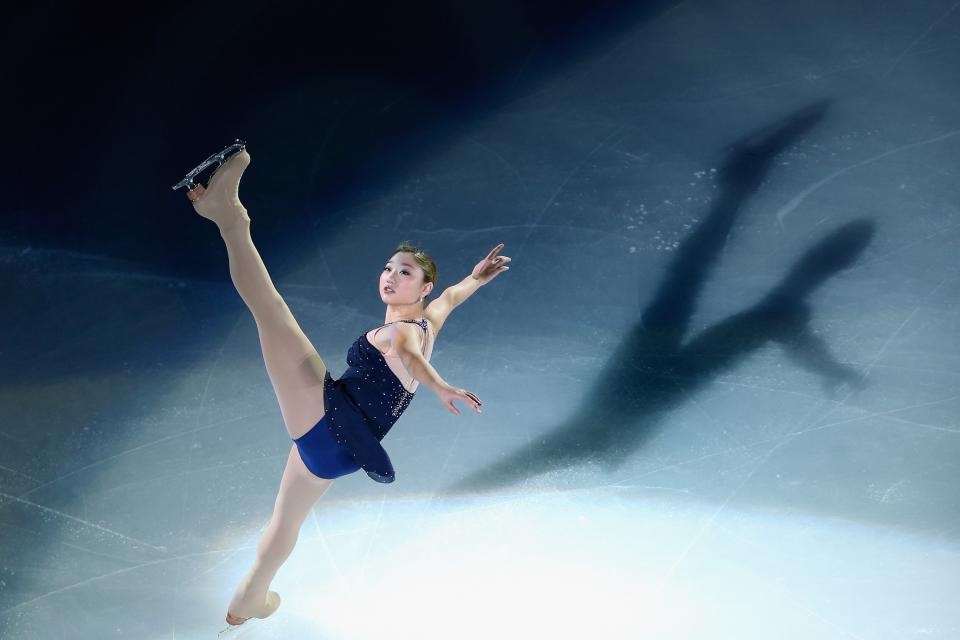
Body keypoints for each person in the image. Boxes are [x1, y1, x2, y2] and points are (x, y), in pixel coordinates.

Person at [180, 146, 511, 628]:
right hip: (340, 444)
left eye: (406, 273)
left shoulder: (402, 333)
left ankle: (229, 216)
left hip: (330, 420)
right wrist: (476, 279)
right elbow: (452, 298)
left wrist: (440, 386)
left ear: (420, 289)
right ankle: (250, 598)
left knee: (270, 309)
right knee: (285, 520)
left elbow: (413, 361)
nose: (392, 276)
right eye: (389, 268)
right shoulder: (428, 320)